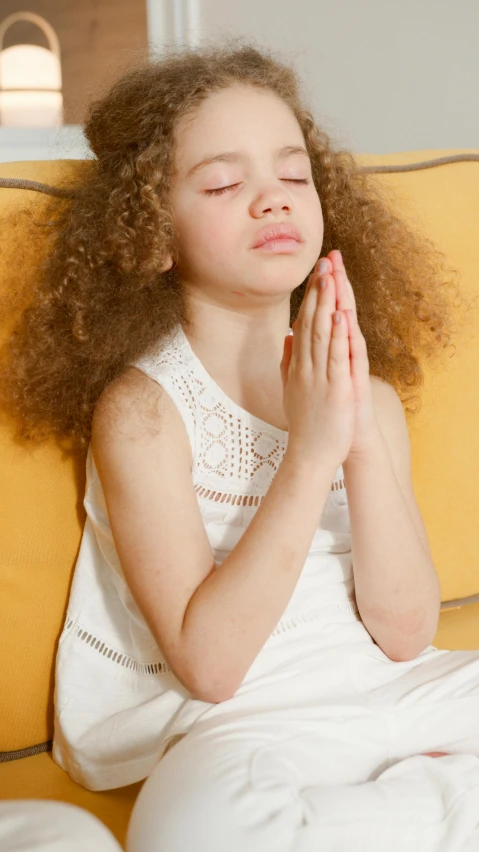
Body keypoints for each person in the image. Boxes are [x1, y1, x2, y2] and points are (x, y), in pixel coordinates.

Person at [2, 38, 479, 852]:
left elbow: (403, 634)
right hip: (246, 721)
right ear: (152, 234)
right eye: (224, 183)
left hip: (391, 689)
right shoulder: (144, 412)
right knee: (198, 828)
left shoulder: (369, 399)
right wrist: (309, 453)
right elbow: (211, 668)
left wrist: (355, 435)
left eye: (293, 176)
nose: (272, 199)